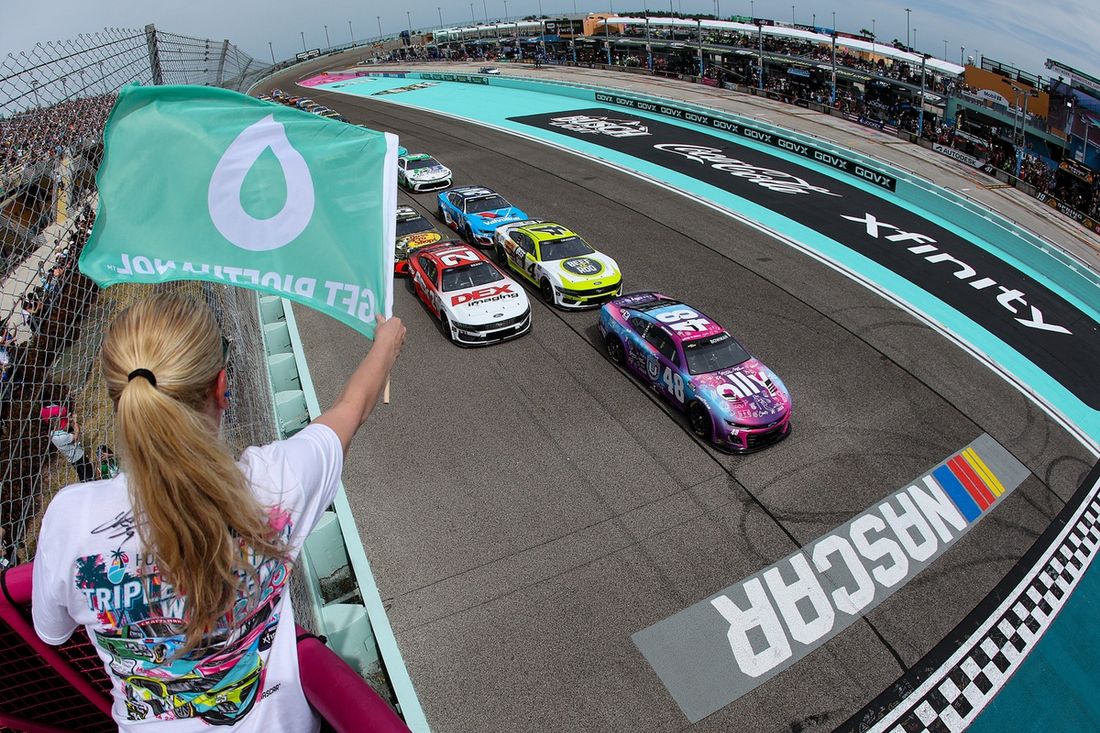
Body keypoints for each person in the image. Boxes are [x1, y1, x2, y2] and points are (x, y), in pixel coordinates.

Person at [32, 293, 405, 731]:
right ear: (222, 387)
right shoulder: (275, 483)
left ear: (121, 401)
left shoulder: (69, 519)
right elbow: (352, 409)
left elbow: (52, 631)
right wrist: (386, 343)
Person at [47, 413, 96, 482]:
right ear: (56, 424)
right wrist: (75, 421)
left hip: (72, 459)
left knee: (81, 476)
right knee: (89, 474)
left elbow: (64, 430)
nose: (61, 424)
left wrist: (69, 421)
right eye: (59, 422)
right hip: (78, 457)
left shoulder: (52, 434)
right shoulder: (61, 437)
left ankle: (85, 484)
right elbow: (76, 434)